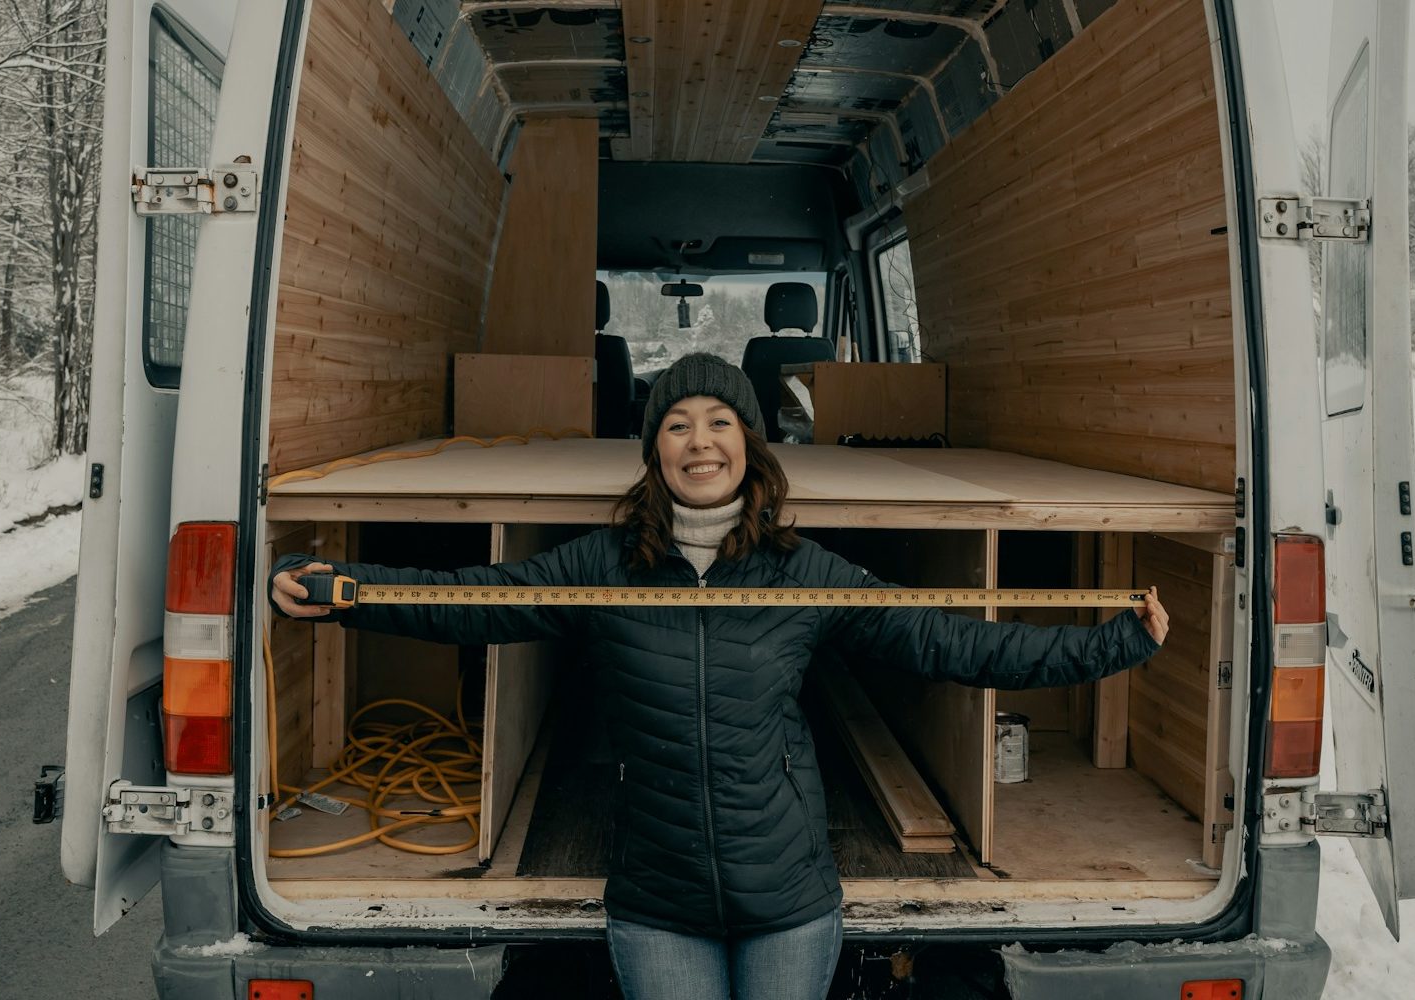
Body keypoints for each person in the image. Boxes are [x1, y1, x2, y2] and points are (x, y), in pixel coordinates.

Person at [271, 351, 1170, 1000]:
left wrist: (1108, 646)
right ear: (655, 453)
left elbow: (958, 645)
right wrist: (348, 592)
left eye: (719, 421)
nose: (699, 442)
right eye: (675, 424)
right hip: (657, 901)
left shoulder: (806, 572)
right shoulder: (601, 566)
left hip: (790, 901)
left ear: (751, 443)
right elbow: (471, 599)